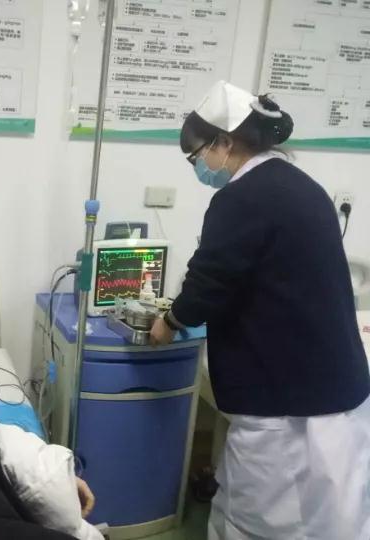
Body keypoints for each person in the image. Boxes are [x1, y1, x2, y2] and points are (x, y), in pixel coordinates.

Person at [150, 81, 370, 539]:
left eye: (197, 157)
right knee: (333, 518)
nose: (199, 168)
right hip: (335, 390)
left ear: (224, 142)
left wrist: (168, 322)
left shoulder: (241, 198)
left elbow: (209, 282)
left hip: (287, 408)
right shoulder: (300, 185)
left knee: (261, 521)